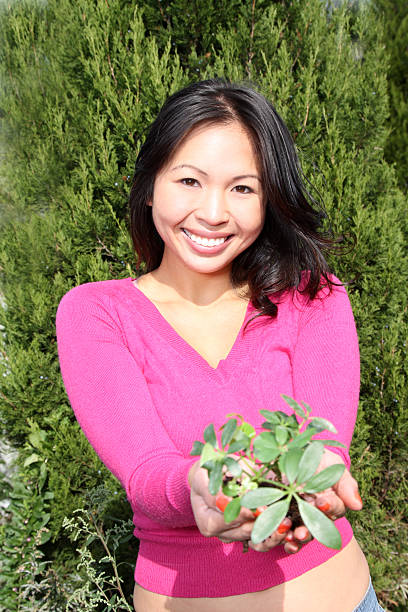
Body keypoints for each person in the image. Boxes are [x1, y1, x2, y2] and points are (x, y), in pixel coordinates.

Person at [56, 79, 384, 612]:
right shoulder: (97, 314)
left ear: (270, 199)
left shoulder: (313, 297)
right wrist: (199, 484)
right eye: (189, 180)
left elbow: (324, 447)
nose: (213, 212)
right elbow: (145, 473)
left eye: (243, 188)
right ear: (149, 185)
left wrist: (320, 484)